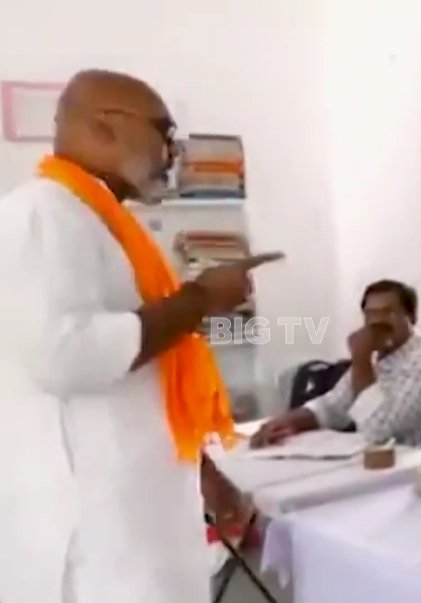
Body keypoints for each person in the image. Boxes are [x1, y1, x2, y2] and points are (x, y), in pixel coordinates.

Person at [0, 70, 282, 603]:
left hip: (143, 530)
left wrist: (207, 478)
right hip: (98, 546)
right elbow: (66, 354)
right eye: (165, 133)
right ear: (106, 125)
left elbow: (147, 381)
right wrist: (200, 300)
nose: (172, 154)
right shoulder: (40, 213)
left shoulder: (107, 225)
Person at [251, 279, 421, 452]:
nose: (377, 321)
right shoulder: (381, 357)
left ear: (411, 317)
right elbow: (333, 406)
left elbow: (377, 431)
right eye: (371, 314)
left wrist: (361, 359)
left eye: (388, 312)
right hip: (394, 467)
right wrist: (286, 422)